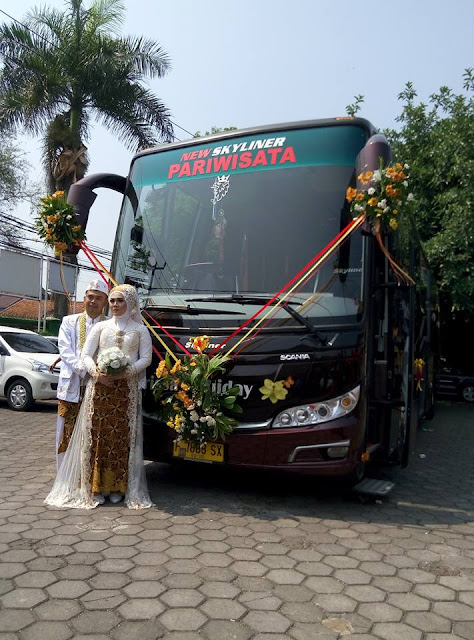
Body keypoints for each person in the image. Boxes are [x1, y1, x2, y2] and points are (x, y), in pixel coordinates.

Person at [45, 284, 153, 510]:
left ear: (130, 303)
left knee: (122, 438)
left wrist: (128, 371)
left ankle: (117, 487)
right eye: (112, 301)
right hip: (100, 390)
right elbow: (85, 355)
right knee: (98, 437)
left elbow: (146, 359)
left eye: (119, 300)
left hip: (126, 392)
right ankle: (96, 487)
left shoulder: (141, 330)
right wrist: (96, 373)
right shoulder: (102, 327)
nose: (114, 305)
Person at [55, 280, 109, 469]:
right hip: (72, 386)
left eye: (98, 298)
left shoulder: (110, 325)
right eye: (90, 297)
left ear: (105, 302)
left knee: (95, 434)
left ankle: (89, 481)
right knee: (66, 433)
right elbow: (65, 350)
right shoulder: (70, 321)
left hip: (100, 387)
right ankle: (64, 478)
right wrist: (86, 369)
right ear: (84, 298)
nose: (93, 301)